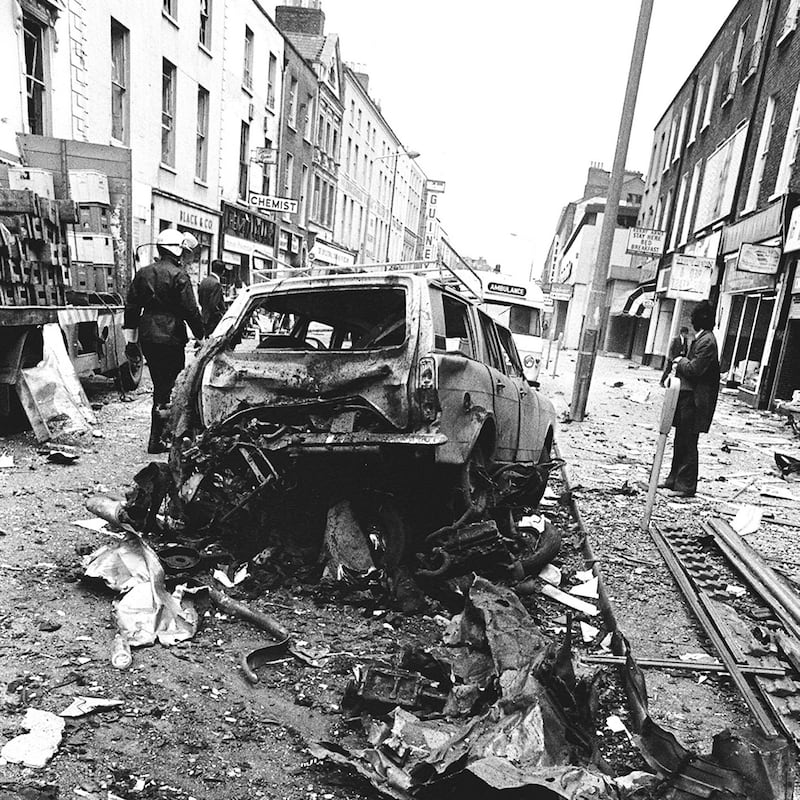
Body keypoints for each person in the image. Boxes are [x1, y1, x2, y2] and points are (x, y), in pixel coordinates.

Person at [124, 228, 205, 454]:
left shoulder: (143, 273)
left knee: (160, 385)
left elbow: (131, 307)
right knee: (171, 386)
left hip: (148, 335)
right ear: (178, 251)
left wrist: (131, 341)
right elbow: (190, 310)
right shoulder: (180, 276)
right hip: (172, 336)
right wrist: (201, 336)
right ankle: (163, 438)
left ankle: (157, 438)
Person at [659, 301, 720, 498]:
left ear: (699, 320)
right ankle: (673, 480)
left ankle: (685, 486)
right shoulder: (703, 339)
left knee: (688, 443)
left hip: (695, 401)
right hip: (689, 399)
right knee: (681, 441)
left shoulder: (707, 342)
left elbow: (695, 370)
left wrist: (680, 361)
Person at [198, 259, 227, 337]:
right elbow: (214, 304)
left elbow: (200, 300)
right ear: (223, 271)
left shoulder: (204, 281)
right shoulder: (217, 284)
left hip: (204, 317)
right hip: (213, 320)